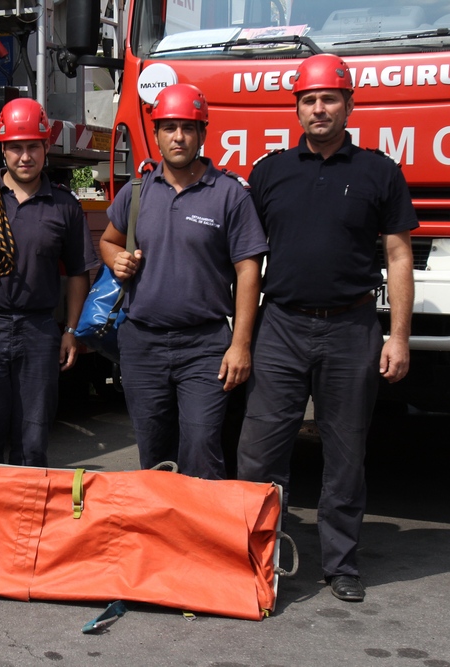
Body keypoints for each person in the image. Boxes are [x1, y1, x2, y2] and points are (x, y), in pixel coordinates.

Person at [235, 54, 417, 603]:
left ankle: (341, 564)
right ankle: (257, 559)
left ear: (349, 105)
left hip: (352, 328)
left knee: (345, 453)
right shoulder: (269, 172)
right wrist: (239, 334)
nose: (319, 109)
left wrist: (399, 336)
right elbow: (245, 257)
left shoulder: (379, 172)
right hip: (281, 326)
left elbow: (399, 256)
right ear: (297, 108)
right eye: (309, 100)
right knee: (259, 452)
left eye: (329, 99)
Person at [100, 83, 268, 480]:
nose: (179, 137)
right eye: (169, 127)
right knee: (154, 452)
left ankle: (203, 521)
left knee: (201, 447)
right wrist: (115, 259)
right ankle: (162, 521)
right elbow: (108, 240)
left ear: (202, 133)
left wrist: (241, 345)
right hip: (141, 343)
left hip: (204, 346)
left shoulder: (229, 194)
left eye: (188, 127)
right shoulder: (138, 191)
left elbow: (249, 271)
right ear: (156, 134)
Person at [0, 98, 98, 466]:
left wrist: (71, 330)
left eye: (32, 147)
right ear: (3, 149)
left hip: (39, 330)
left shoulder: (64, 205)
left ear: (46, 147)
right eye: (15, 148)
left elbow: (78, 272)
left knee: (33, 436)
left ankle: (29, 499)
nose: (24, 157)